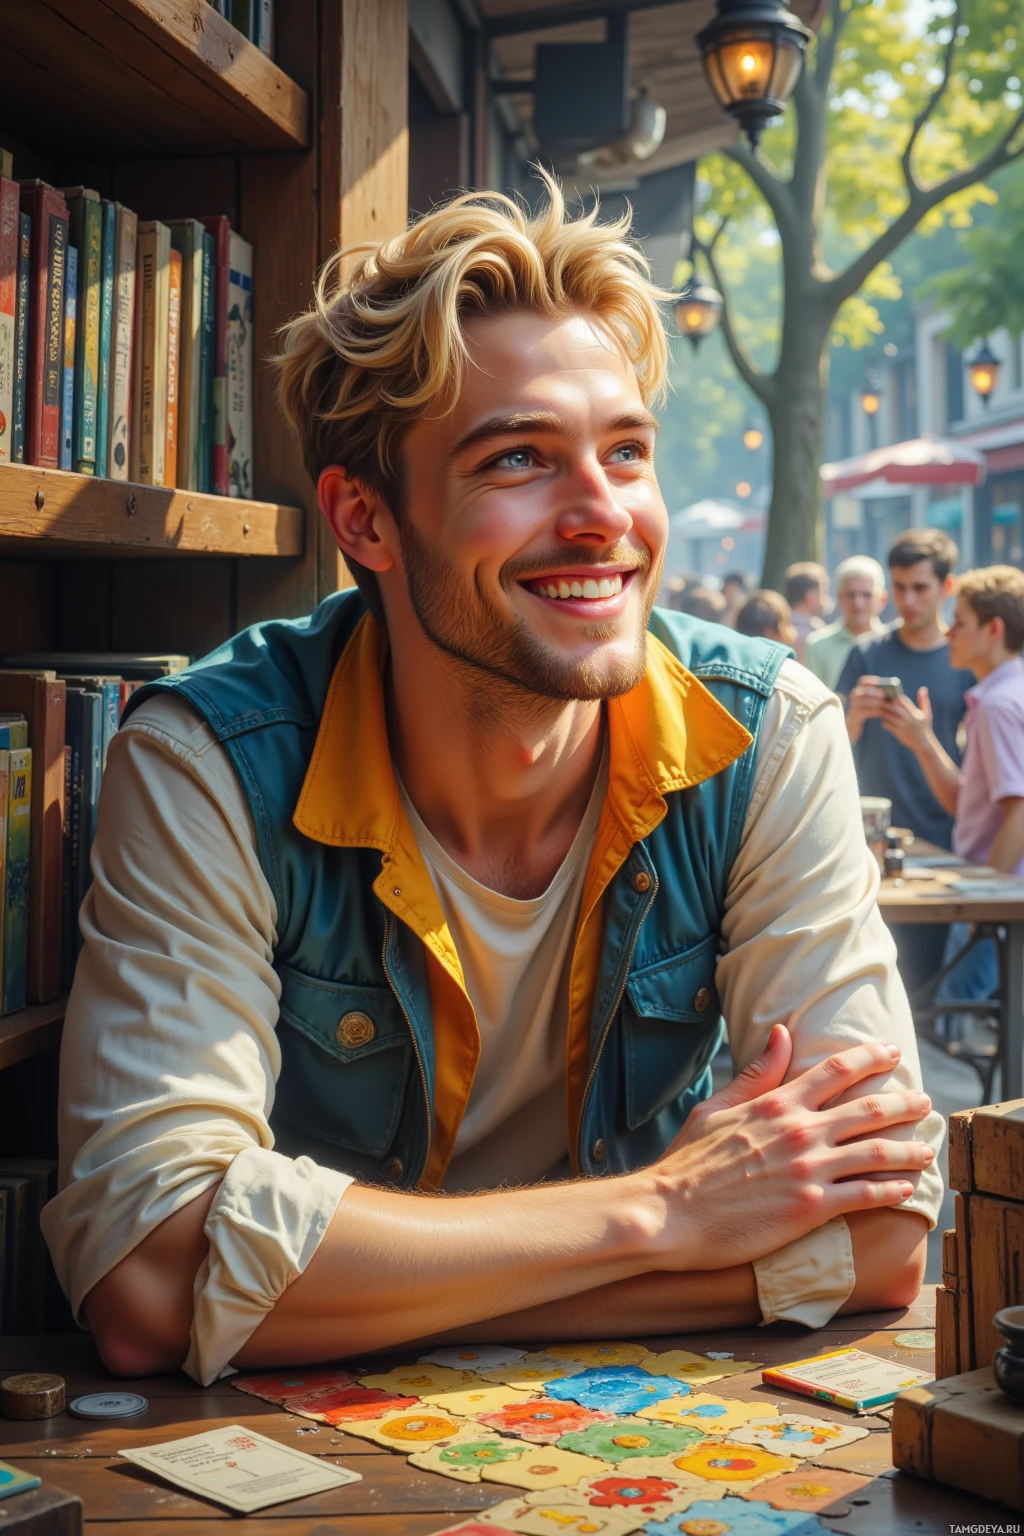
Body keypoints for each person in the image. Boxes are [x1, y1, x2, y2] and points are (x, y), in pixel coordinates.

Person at [44, 178, 941, 1387]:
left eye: (625, 452)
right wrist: (663, 1213)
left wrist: (343, 1289)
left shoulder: (765, 731)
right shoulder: (208, 759)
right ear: (364, 516)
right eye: (519, 458)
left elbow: (883, 1231)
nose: (604, 517)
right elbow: (148, 1277)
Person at [881, 566, 1024, 1010]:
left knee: (952, 1020)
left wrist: (986, 905)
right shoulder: (1001, 695)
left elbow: (1019, 809)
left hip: (997, 903)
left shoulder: (1000, 704)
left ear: (993, 629)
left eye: (959, 622)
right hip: (993, 898)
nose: (948, 631)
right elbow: (973, 806)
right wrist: (924, 744)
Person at [836, 530, 973, 851]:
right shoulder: (865, 654)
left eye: (920, 588)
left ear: (947, 587)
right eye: (899, 587)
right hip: (872, 836)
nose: (908, 600)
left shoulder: (967, 661)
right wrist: (854, 717)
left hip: (947, 835)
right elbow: (829, 748)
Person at [805, 556, 888, 691]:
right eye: (851, 595)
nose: (858, 604)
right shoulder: (817, 644)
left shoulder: (892, 643)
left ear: (882, 599)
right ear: (839, 597)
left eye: (867, 595)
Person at [784, 561, 830, 662]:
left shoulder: (779, 628)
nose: (827, 602)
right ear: (810, 597)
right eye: (824, 593)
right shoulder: (817, 634)